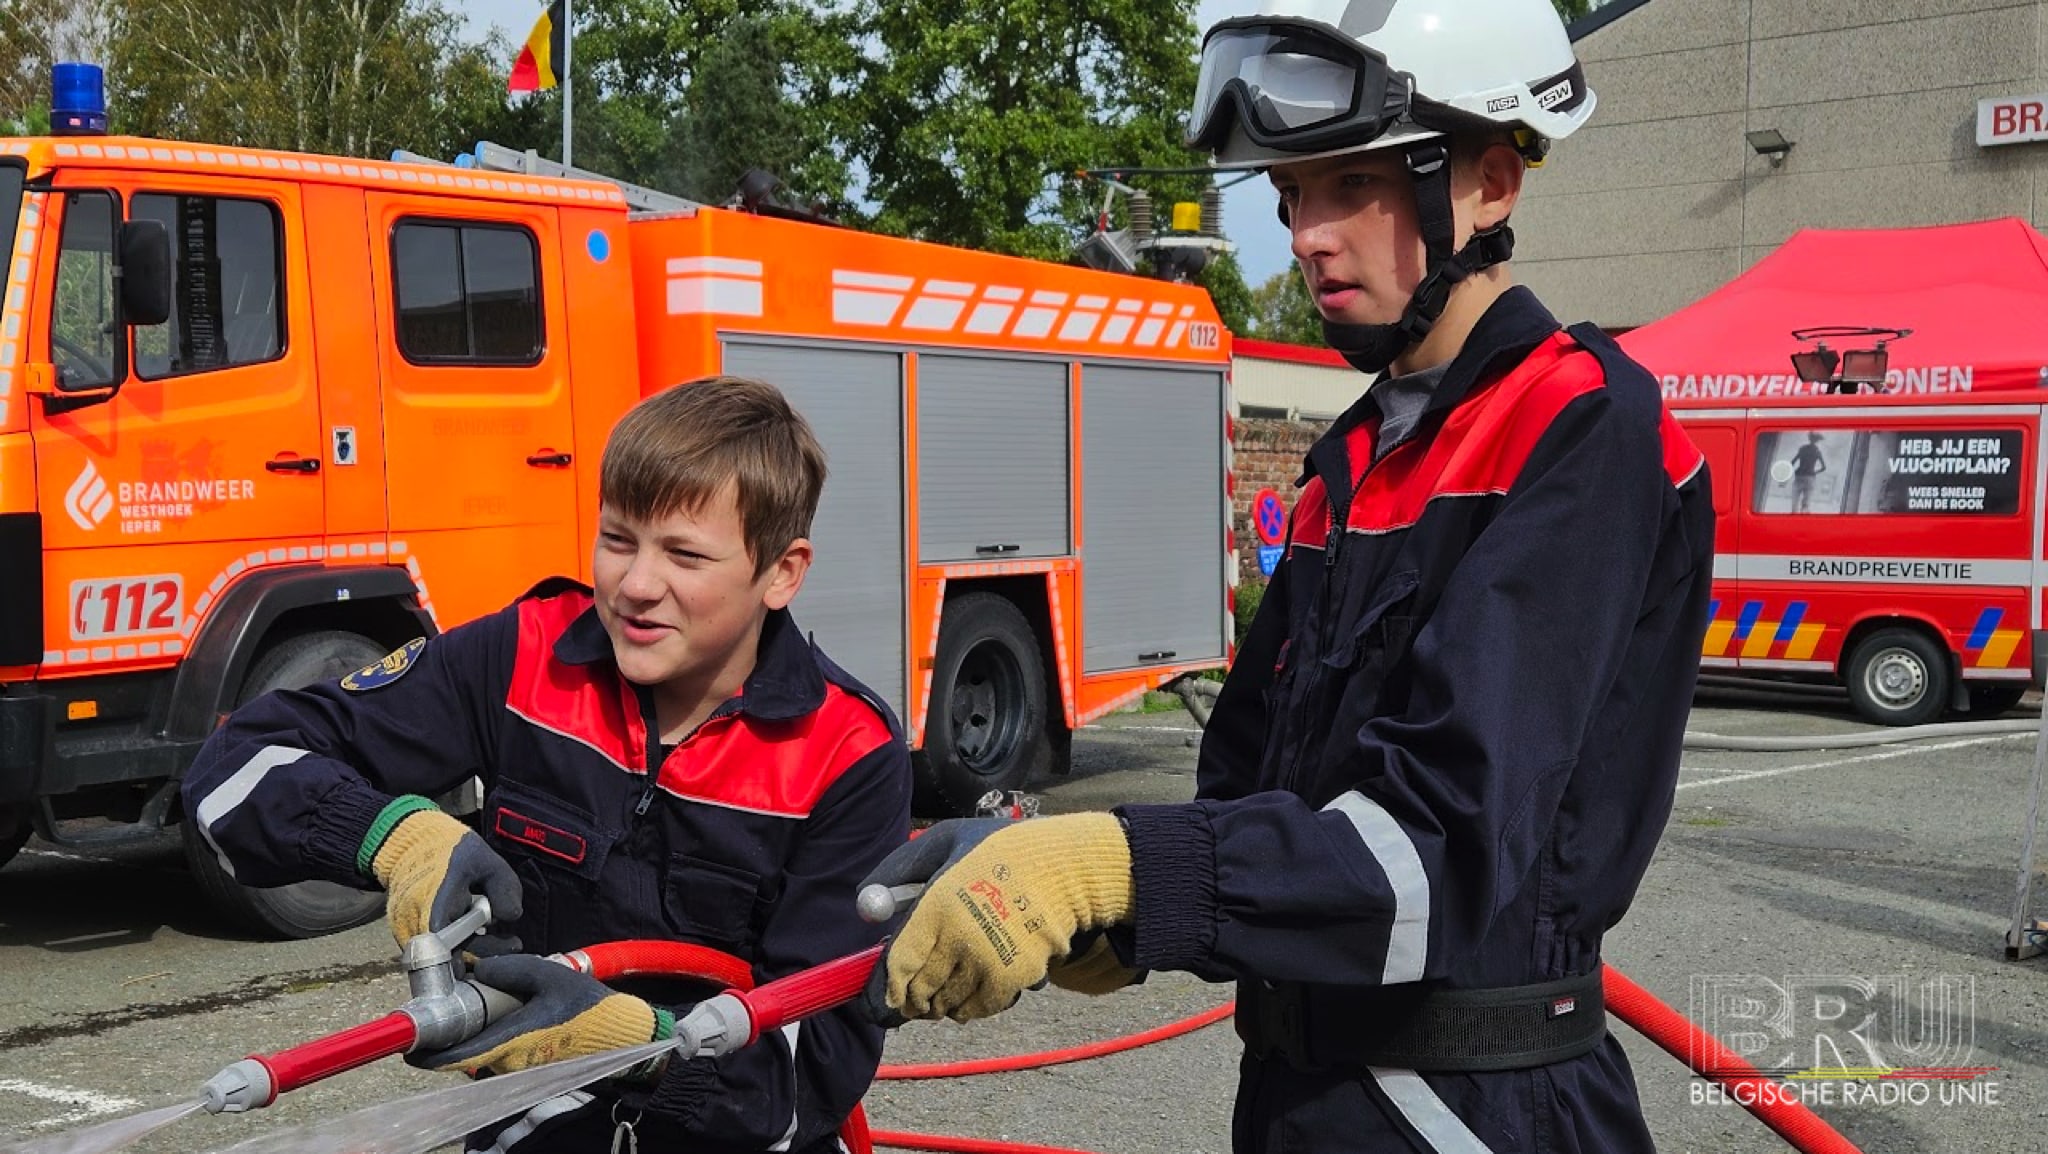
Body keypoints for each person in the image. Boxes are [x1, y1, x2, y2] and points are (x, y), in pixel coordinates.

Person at [856, 2, 1716, 1151]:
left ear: (1492, 182)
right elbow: (1252, 797)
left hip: (1472, 1104)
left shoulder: (1583, 427)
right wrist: (1106, 914)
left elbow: (1436, 856)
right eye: (1288, 195)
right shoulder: (1347, 466)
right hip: (1303, 1094)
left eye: (1349, 184)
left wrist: (1114, 862)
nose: (1306, 233)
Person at [181, 376, 912, 1154]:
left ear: (782, 573)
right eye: (618, 539)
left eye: (685, 555)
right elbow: (233, 767)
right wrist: (391, 838)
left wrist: (633, 1045)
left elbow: (811, 1077)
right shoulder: (522, 656)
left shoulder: (848, 750)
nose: (635, 586)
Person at [1790, 432, 1828, 512]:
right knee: (1806, 504)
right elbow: (1824, 467)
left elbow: (1792, 462)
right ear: (1817, 441)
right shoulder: (1817, 451)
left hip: (1799, 475)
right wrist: (1815, 472)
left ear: (1809, 439)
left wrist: (1794, 470)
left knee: (1795, 500)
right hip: (1810, 477)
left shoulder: (1802, 449)